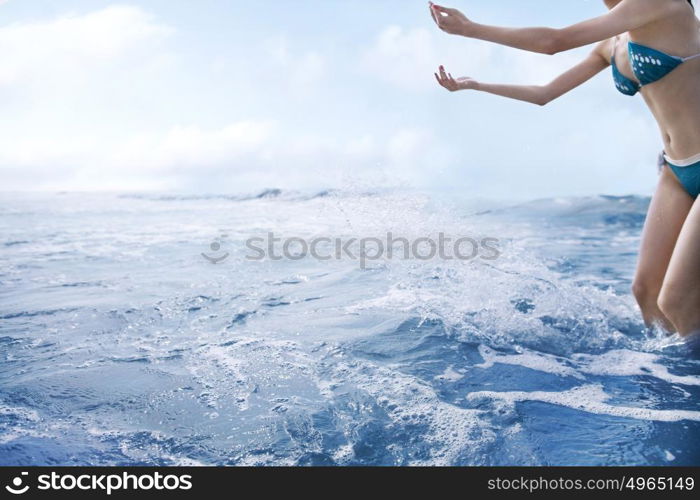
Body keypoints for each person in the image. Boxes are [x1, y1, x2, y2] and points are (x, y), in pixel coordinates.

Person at [429, 0, 700, 342]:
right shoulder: (612, 41)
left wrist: (471, 29)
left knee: (675, 300)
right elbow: (544, 94)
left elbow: (553, 42)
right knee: (646, 293)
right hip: (675, 171)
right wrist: (477, 85)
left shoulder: (662, 4)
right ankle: (671, 378)